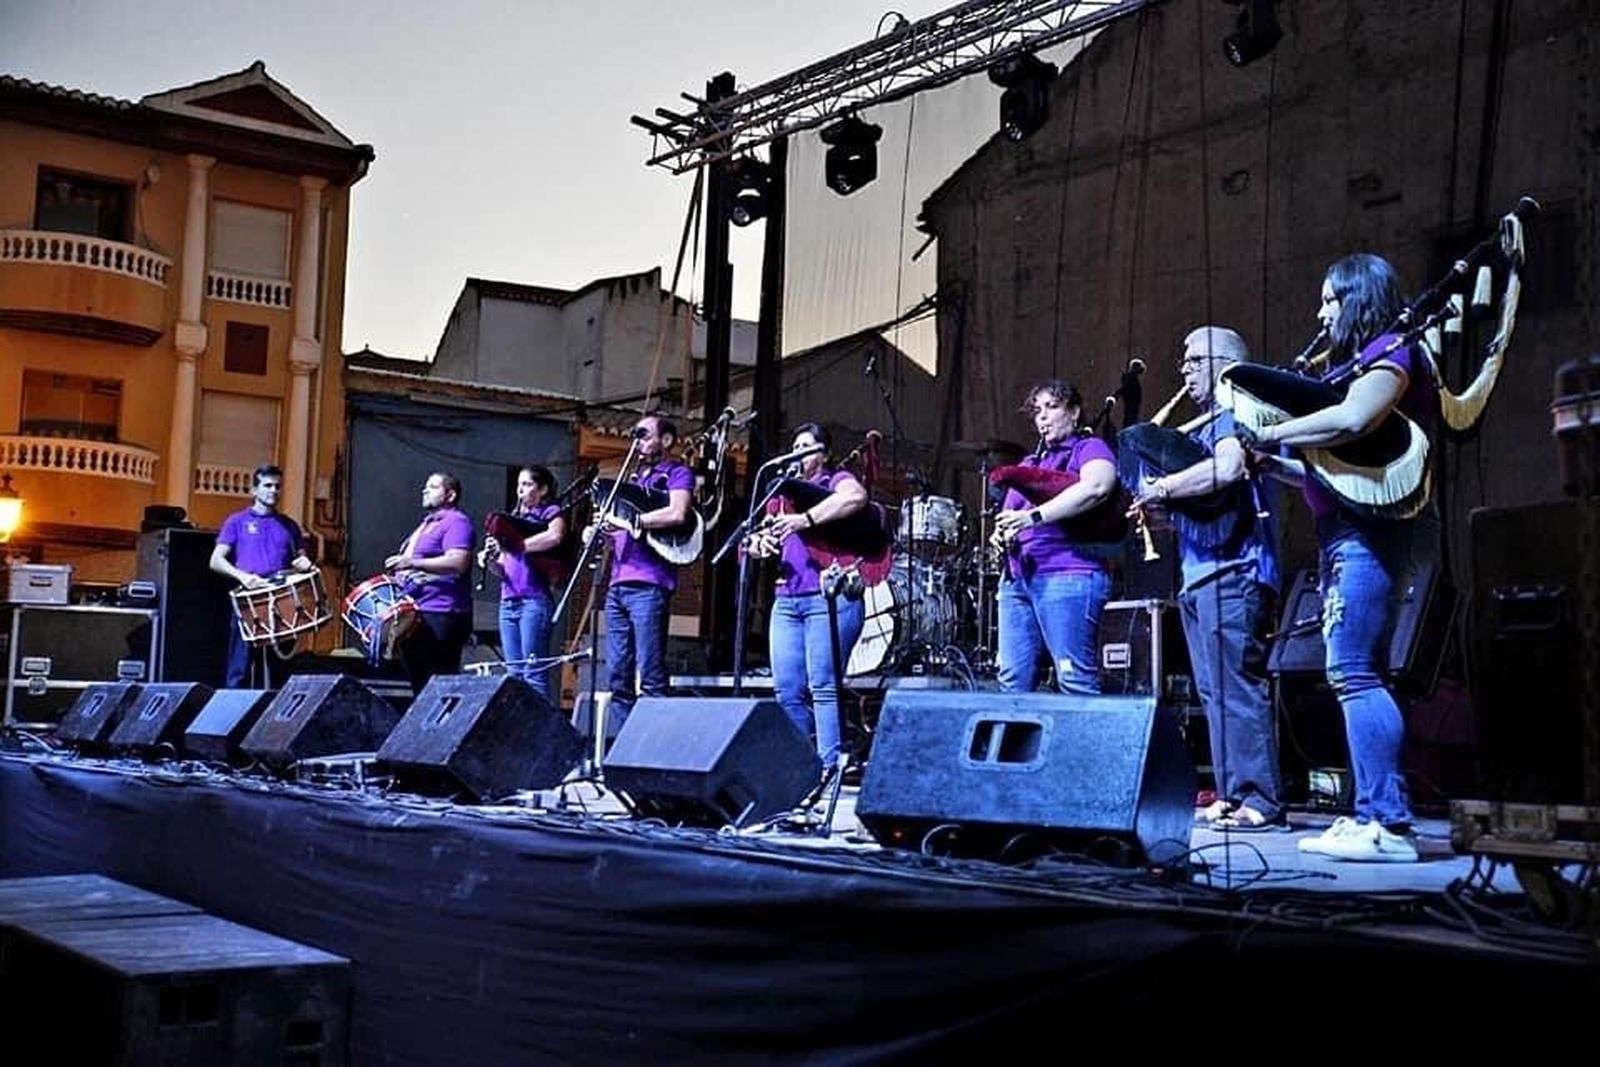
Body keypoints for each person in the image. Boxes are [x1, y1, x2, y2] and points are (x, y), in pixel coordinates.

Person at [1242, 253, 1440, 863]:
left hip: (1370, 534)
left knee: (1353, 671)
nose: (1320, 311)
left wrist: (1271, 431)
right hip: (1347, 531)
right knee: (1357, 672)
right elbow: (1329, 467)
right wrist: (1270, 461)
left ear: (1358, 298)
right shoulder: (1362, 360)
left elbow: (1353, 420)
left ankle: (1390, 822)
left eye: (1330, 298)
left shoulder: (1393, 351)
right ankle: (1368, 815)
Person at [1130, 327, 1285, 832]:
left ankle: (1261, 799)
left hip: (1234, 571)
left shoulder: (1231, 416)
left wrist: (1162, 488)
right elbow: (1199, 509)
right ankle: (1232, 792)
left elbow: (1227, 471)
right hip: (1200, 575)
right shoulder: (1203, 425)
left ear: (1221, 363)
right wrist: (1158, 508)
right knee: (1214, 693)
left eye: (1193, 360)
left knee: (1237, 688)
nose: (1184, 369)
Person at [746, 423, 870, 769]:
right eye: (795, 446)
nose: (799, 453)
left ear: (825, 454)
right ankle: (799, 768)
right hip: (786, 598)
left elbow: (856, 498)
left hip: (827, 597)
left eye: (808, 447)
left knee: (824, 686)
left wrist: (805, 519)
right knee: (787, 689)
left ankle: (828, 766)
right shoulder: (781, 493)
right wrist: (761, 544)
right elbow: (754, 538)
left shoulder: (835, 480)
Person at [990, 380, 1118, 694]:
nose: (1042, 418)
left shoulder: (1089, 448)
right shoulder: (1029, 464)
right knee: (1012, 682)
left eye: (1052, 407)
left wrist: (1032, 517)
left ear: (1074, 413)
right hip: (1017, 582)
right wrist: (999, 534)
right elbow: (1009, 516)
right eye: (1037, 411)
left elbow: (1097, 487)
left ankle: (1085, 745)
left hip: (1068, 574)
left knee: (1074, 679)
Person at [598, 414, 693, 734]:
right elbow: (620, 531)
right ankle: (626, 744)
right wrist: (601, 532)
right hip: (617, 583)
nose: (637, 441)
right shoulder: (634, 480)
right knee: (617, 674)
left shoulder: (676, 473)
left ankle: (651, 746)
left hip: (649, 583)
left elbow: (677, 513)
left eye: (645, 435)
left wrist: (634, 521)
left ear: (665, 440)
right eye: (635, 436)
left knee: (650, 670)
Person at [210, 463, 314, 688]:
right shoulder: (236, 522)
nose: (273, 491)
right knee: (240, 668)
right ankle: (234, 717)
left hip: (281, 601)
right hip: (250, 599)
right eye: (267, 485)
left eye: (277, 486)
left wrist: (305, 564)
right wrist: (243, 577)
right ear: (254, 490)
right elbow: (216, 561)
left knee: (280, 669)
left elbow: (300, 559)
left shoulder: (289, 526)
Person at [478, 465, 566, 705]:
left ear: (543, 489)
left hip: (533, 599)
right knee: (514, 673)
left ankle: (541, 733)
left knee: (533, 671)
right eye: (519, 485)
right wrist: (491, 559)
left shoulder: (550, 512)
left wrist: (518, 545)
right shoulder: (513, 521)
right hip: (508, 600)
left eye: (527, 484)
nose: (520, 491)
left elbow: (555, 536)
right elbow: (502, 569)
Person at [386, 471, 474, 696]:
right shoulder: (426, 524)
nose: (425, 490)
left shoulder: (456, 522)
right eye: (426, 486)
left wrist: (412, 562)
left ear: (450, 495)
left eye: (433, 487)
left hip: (442, 612)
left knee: (437, 684)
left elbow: (458, 562)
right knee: (420, 685)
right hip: (419, 613)